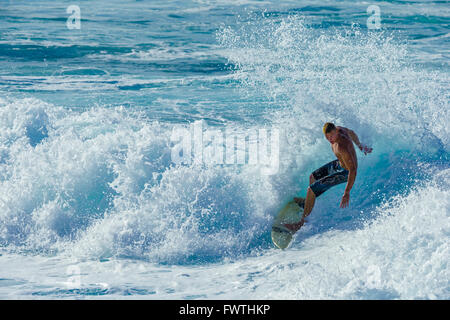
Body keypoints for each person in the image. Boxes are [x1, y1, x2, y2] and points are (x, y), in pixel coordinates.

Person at [284, 122, 373, 232]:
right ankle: (306, 203)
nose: (330, 139)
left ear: (336, 131)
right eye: (327, 137)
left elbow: (353, 170)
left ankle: (301, 223)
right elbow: (352, 132)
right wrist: (360, 145)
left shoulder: (342, 146)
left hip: (346, 172)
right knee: (312, 177)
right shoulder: (339, 130)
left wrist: (347, 192)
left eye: (331, 136)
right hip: (339, 164)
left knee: (311, 190)